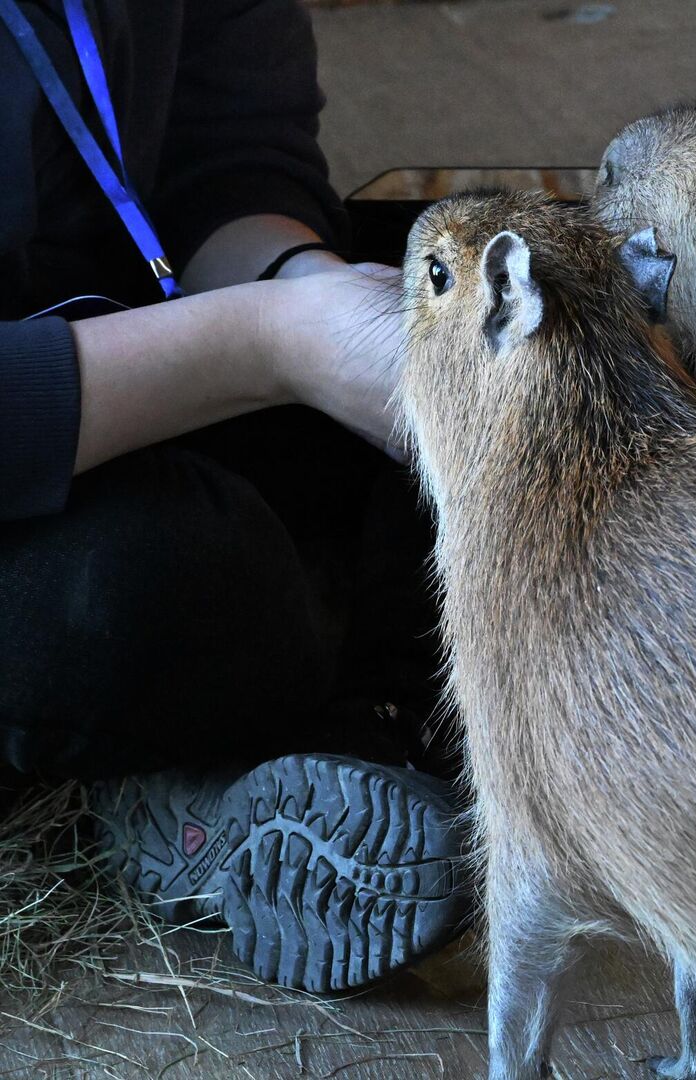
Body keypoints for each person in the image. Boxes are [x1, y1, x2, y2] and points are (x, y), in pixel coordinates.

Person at [1, 0, 468, 992]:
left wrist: (316, 293)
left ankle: (280, 746)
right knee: (143, 586)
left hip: (148, 350)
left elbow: (234, 157)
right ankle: (203, 788)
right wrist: (270, 343)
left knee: (556, 329)